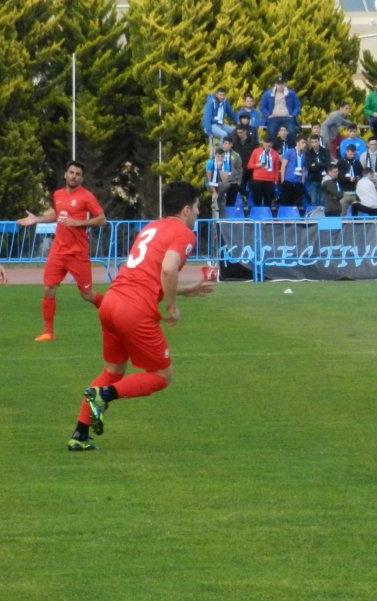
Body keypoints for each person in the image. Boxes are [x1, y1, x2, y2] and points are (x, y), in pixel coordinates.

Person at [69, 181, 215, 451]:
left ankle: (79, 435)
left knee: (113, 370)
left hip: (112, 303)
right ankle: (105, 395)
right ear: (185, 210)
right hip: (133, 310)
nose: (197, 213)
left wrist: (185, 290)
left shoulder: (152, 227)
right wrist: (172, 306)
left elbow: (150, 277)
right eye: (196, 208)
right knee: (162, 375)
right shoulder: (184, 234)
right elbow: (168, 271)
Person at [17, 161, 107, 342]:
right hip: (58, 251)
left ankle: (117, 315)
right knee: (49, 288)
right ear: (65, 174)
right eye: (71, 172)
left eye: (78, 174)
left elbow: (102, 219)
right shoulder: (57, 194)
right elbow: (57, 215)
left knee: (87, 294)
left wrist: (79, 223)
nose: (74, 176)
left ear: (82, 178)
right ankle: (48, 332)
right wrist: (37, 219)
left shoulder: (86, 197)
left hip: (77, 253)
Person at [205, 138, 243, 217]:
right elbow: (209, 179)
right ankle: (217, 199)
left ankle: (220, 204)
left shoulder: (227, 164)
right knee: (216, 191)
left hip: (223, 184)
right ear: (215, 156)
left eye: (222, 157)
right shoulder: (210, 163)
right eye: (218, 156)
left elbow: (224, 180)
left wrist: (219, 168)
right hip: (210, 184)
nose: (220, 158)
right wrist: (214, 192)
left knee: (227, 186)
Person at [259, 77, 301, 146]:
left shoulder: (291, 94)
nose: (280, 86)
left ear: (284, 84)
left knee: (292, 132)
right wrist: (268, 115)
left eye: (282, 84)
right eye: (278, 84)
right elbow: (262, 106)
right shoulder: (268, 94)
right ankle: (274, 151)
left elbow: (297, 105)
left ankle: (291, 150)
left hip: (287, 118)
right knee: (272, 132)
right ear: (275, 84)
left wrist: (293, 115)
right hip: (273, 118)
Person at [246, 139, 282, 208]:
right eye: (265, 145)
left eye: (269, 146)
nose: (267, 147)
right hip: (257, 179)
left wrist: (275, 181)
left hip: (270, 180)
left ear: (272, 144)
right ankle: (257, 214)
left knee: (268, 201)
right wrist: (257, 165)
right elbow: (249, 165)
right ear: (263, 143)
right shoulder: (256, 151)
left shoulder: (275, 153)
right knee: (257, 200)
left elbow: (276, 169)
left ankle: (267, 215)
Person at [279, 135, 309, 208]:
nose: (304, 145)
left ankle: (295, 218)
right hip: (288, 181)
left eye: (305, 143)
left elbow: (303, 168)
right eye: (303, 142)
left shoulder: (304, 154)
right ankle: (285, 218)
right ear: (297, 143)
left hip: (298, 182)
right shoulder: (289, 152)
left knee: (296, 204)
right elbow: (283, 166)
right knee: (286, 202)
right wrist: (283, 180)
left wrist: (302, 181)